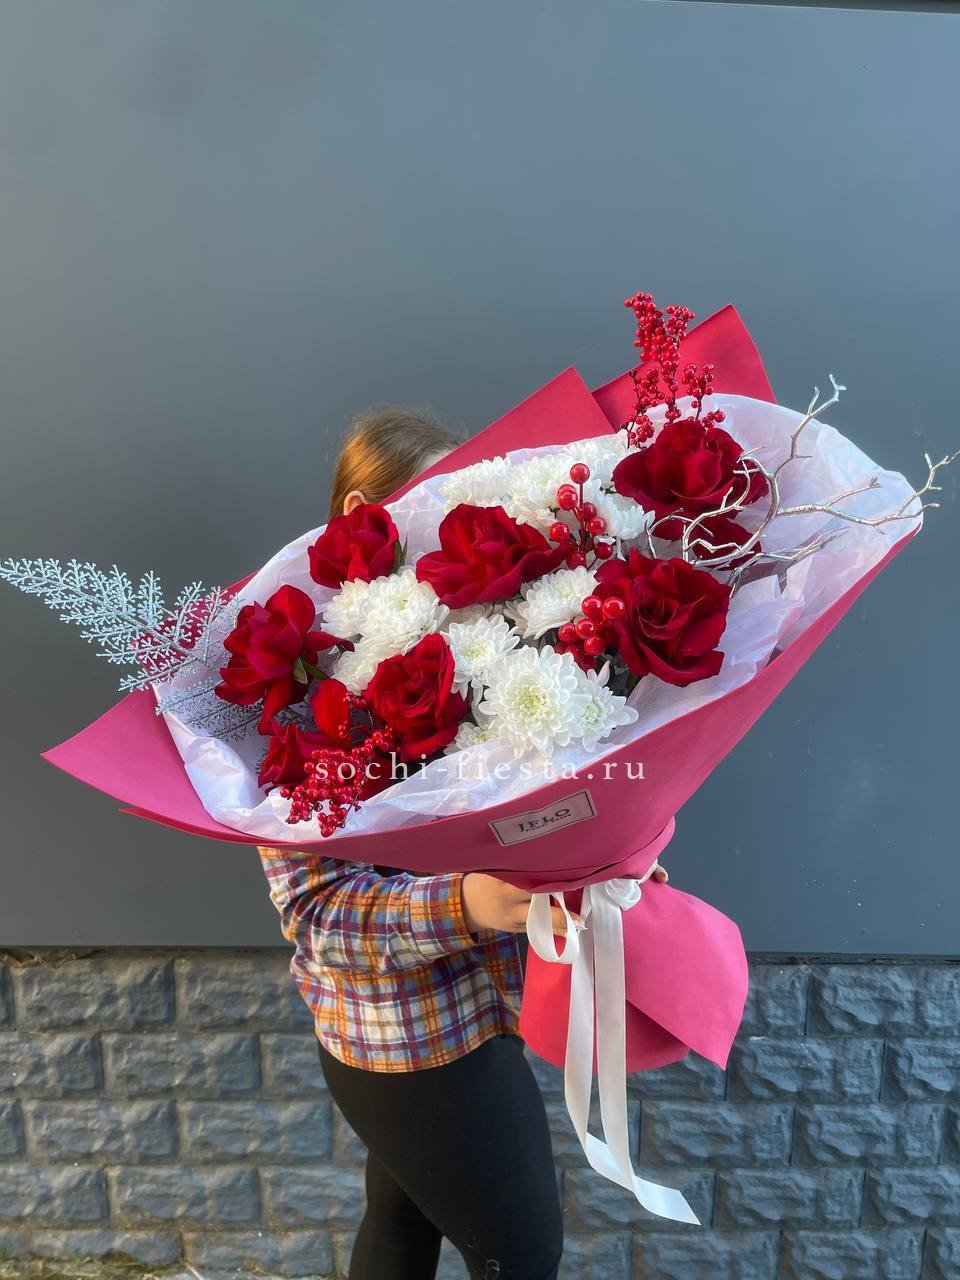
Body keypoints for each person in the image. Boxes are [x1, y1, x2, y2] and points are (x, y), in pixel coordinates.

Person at [256, 405, 670, 1280]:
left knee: (400, 1225)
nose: (456, 524)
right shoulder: (296, 684)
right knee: (522, 1254)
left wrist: (605, 864)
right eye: (435, 498)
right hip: (405, 1038)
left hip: (488, 1008)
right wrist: (467, 902)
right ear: (363, 511)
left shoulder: (478, 638)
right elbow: (318, 917)